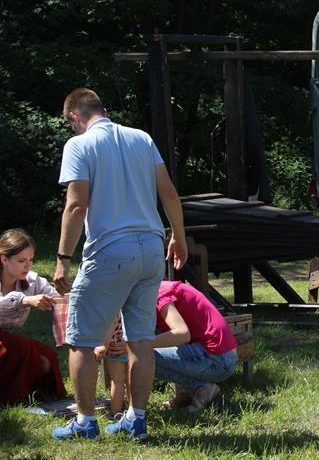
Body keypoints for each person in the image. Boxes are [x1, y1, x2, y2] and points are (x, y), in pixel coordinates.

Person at [51, 88, 188, 441]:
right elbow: (169, 192)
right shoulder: (141, 138)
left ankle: (84, 423)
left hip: (111, 251)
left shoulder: (79, 145)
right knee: (140, 339)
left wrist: (63, 259)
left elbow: (76, 205)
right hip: (151, 248)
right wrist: (179, 236)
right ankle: (136, 419)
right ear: (104, 110)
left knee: (81, 340)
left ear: (74, 118)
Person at [0, 229, 66, 405]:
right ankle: (11, 397)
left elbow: (58, 298)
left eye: (30, 260)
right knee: (23, 346)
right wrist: (25, 300)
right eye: (21, 261)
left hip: (6, 340)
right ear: (4, 259)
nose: (27, 266)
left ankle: (33, 397)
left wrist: (74, 296)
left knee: (47, 358)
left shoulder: (33, 281)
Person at [151, 280, 238, 414]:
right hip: (221, 354)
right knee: (150, 341)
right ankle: (184, 393)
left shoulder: (159, 294)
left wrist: (140, 344)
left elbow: (182, 334)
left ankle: (202, 388)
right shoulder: (159, 288)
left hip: (218, 360)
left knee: (141, 354)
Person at [94, 317, 128, 418]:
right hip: (131, 342)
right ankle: (134, 411)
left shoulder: (112, 304)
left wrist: (104, 345)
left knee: (117, 381)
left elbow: (112, 322)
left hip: (115, 344)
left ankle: (115, 413)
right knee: (131, 380)